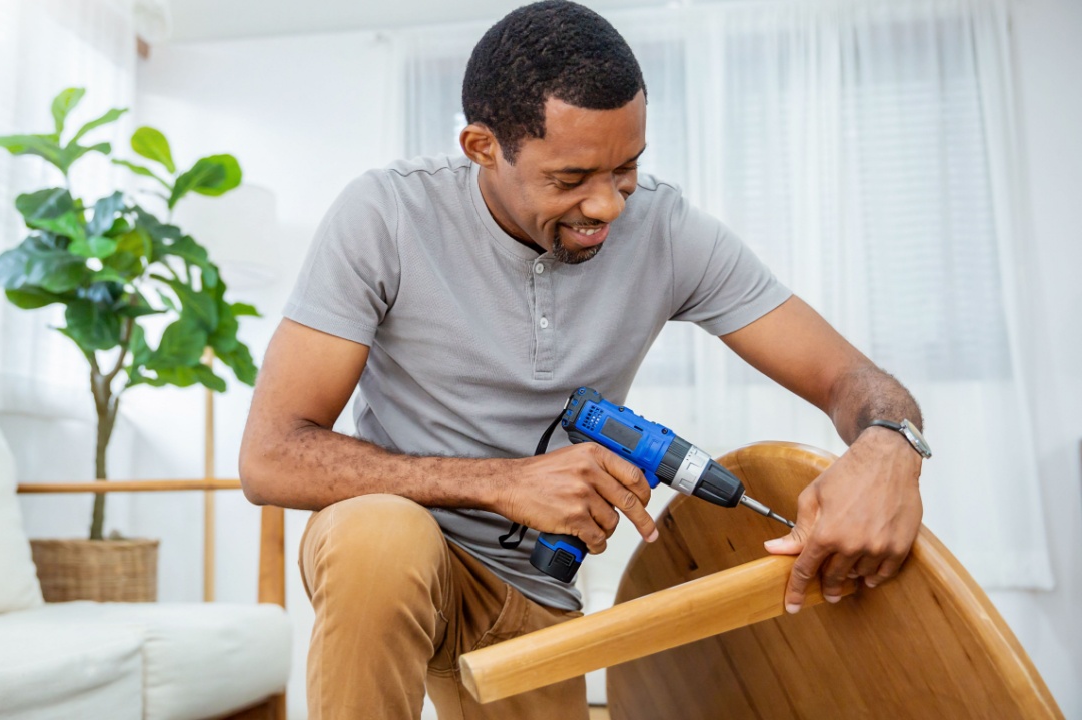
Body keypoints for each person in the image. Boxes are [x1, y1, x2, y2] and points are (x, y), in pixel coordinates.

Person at [239, 2, 926, 718]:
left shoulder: (669, 230)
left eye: (626, 169)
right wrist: (505, 484)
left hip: (538, 589)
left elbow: (850, 378)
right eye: (570, 179)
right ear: (482, 147)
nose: (608, 206)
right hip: (403, 558)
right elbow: (271, 456)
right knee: (377, 534)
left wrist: (888, 445)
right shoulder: (384, 216)